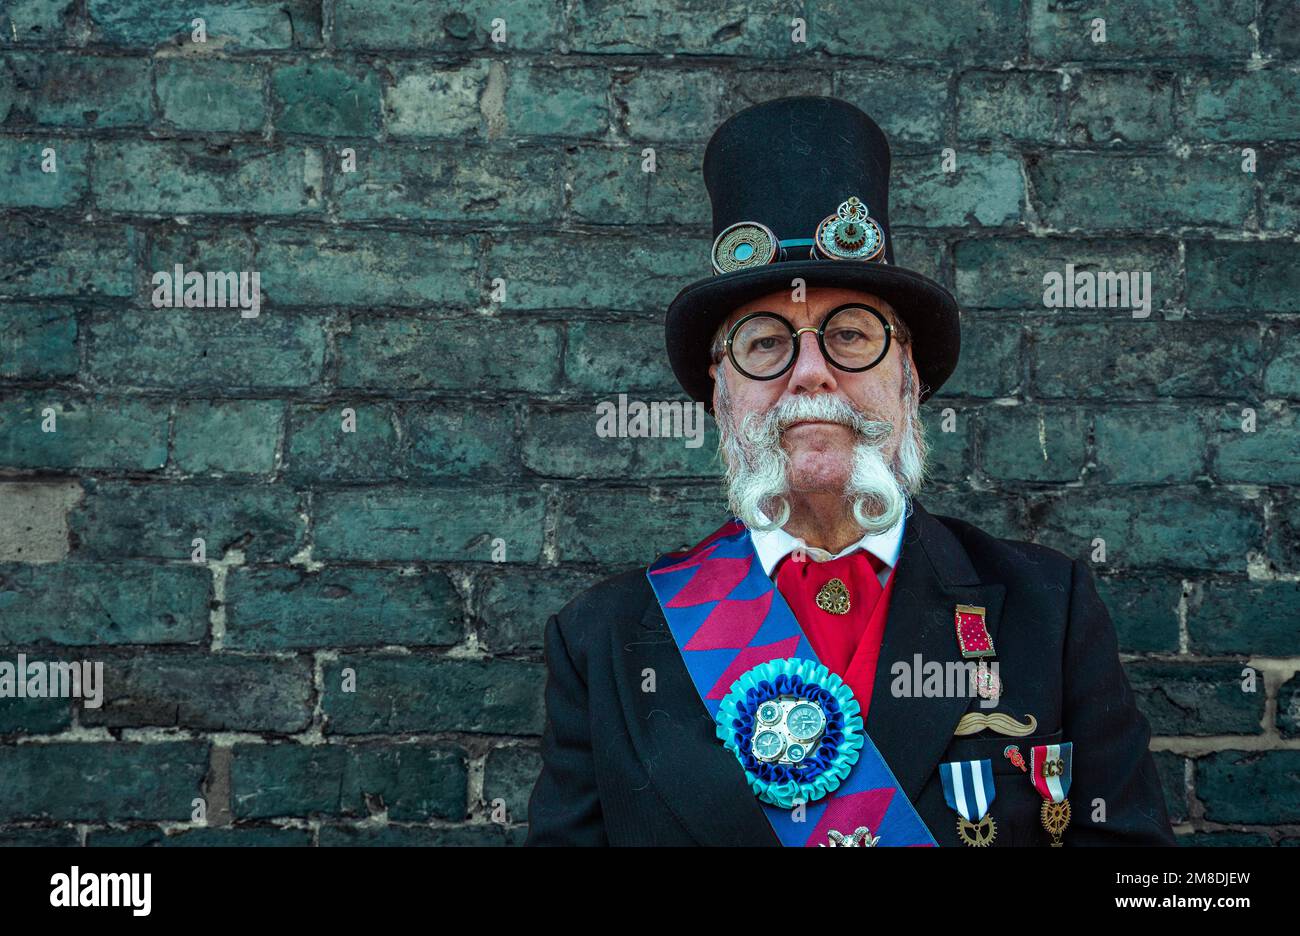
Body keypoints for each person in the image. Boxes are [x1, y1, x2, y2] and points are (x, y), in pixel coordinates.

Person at [525, 96, 1175, 847]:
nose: (810, 375)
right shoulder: (601, 642)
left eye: (852, 335)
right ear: (719, 389)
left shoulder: (1049, 611)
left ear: (910, 376)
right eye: (765, 343)